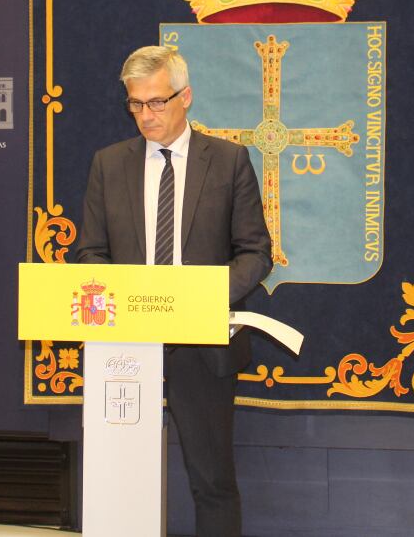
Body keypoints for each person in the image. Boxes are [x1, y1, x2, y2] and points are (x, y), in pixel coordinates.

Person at [76, 45, 272, 536]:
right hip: (125, 346)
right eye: (135, 104)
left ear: (186, 97)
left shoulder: (227, 162)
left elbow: (255, 252)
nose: (145, 115)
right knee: (120, 479)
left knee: (212, 483)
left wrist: (205, 297)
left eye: (156, 102)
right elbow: (90, 254)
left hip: (201, 346)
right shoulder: (108, 164)